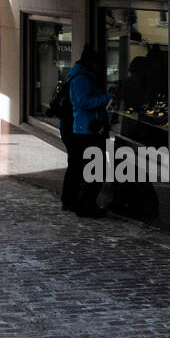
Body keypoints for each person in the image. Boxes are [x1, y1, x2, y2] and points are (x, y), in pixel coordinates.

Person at [62, 43, 116, 218]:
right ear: (91, 62)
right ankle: (84, 205)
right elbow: (84, 102)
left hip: (86, 129)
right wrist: (106, 98)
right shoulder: (81, 78)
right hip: (87, 131)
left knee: (85, 169)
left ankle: (79, 202)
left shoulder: (82, 76)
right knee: (93, 170)